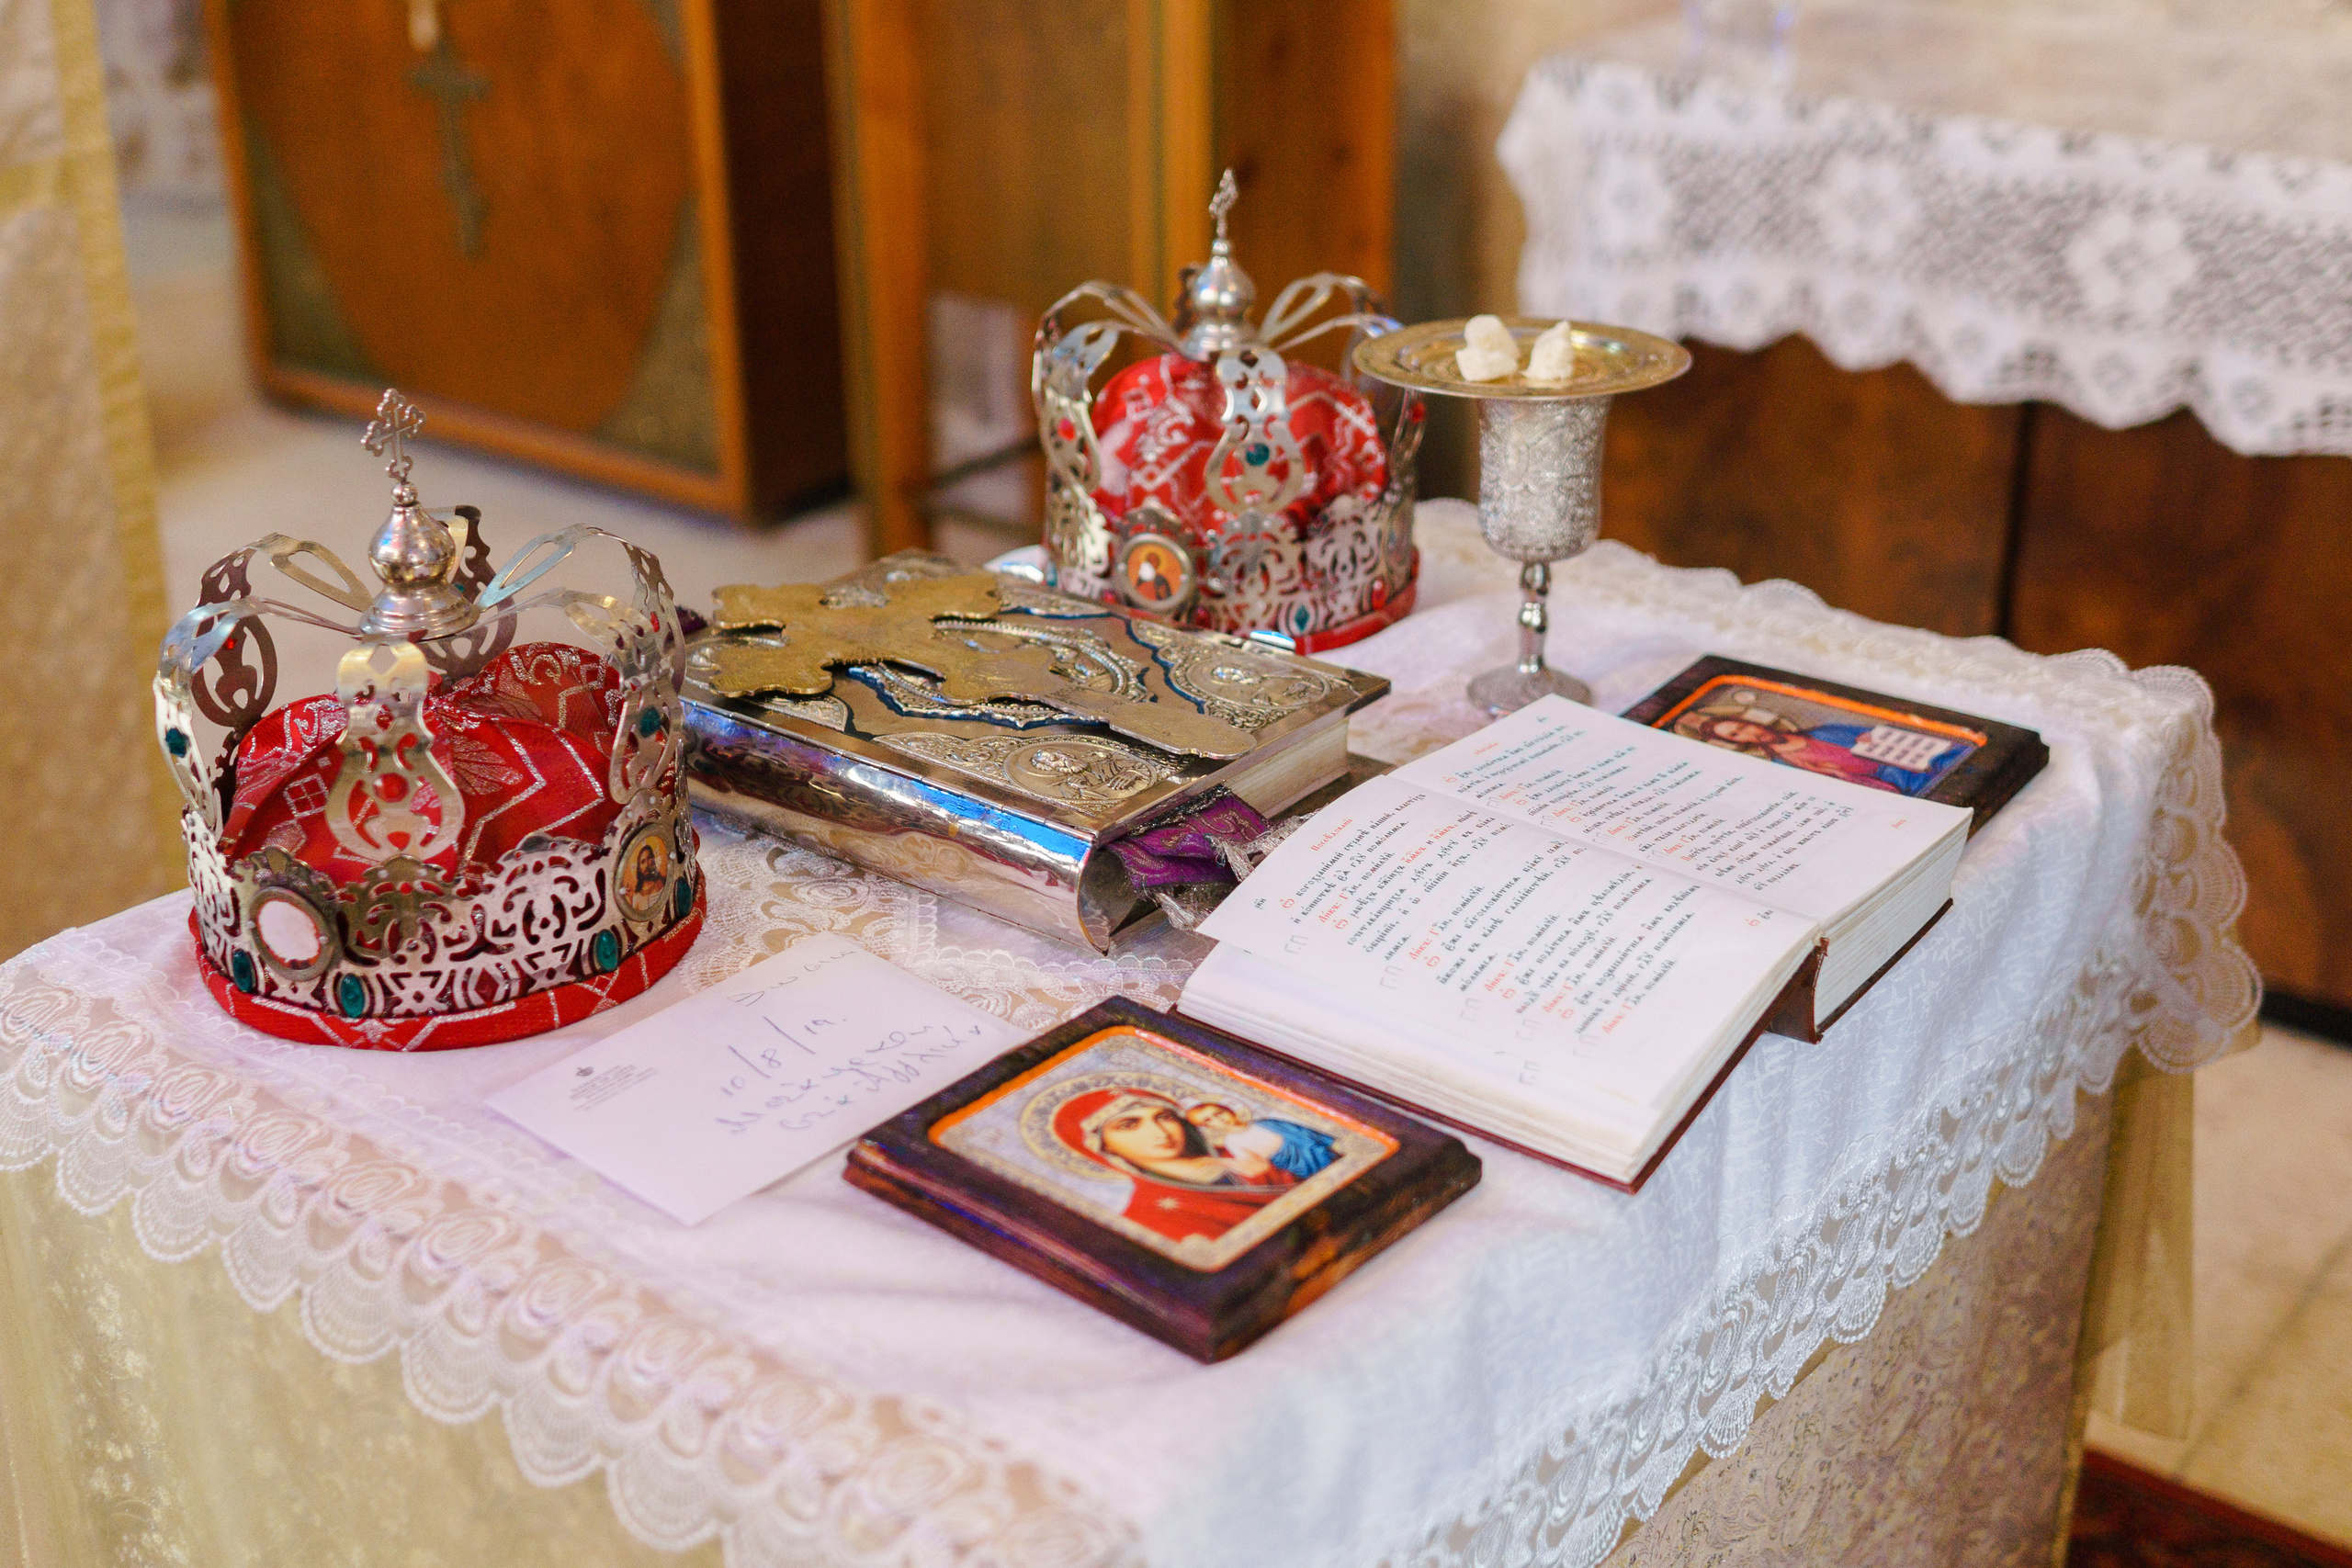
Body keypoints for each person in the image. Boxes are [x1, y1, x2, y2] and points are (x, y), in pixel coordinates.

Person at [1053, 1087, 1296, 1245]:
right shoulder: (1147, 1216)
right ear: (1102, 1146)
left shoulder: (1245, 1150)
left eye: (1164, 1117)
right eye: (1129, 1124)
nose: (1159, 1132)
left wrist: (1268, 1174)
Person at [1679, 711, 1941, 794]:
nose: (1750, 732)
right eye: (1736, 735)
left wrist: (1872, 737)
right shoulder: (1784, 766)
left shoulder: (1824, 732)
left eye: (1743, 725)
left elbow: (1886, 734)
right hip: (1894, 785)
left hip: (1913, 759)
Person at [1184, 1101, 1338, 1179]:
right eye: (1209, 1120)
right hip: (1292, 1163)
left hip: (1311, 1150)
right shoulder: (1232, 1142)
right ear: (1209, 1127)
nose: (1219, 1119)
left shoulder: (1265, 1122)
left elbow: (1302, 1133)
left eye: (1219, 1113)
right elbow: (1252, 1163)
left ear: (1229, 1110)